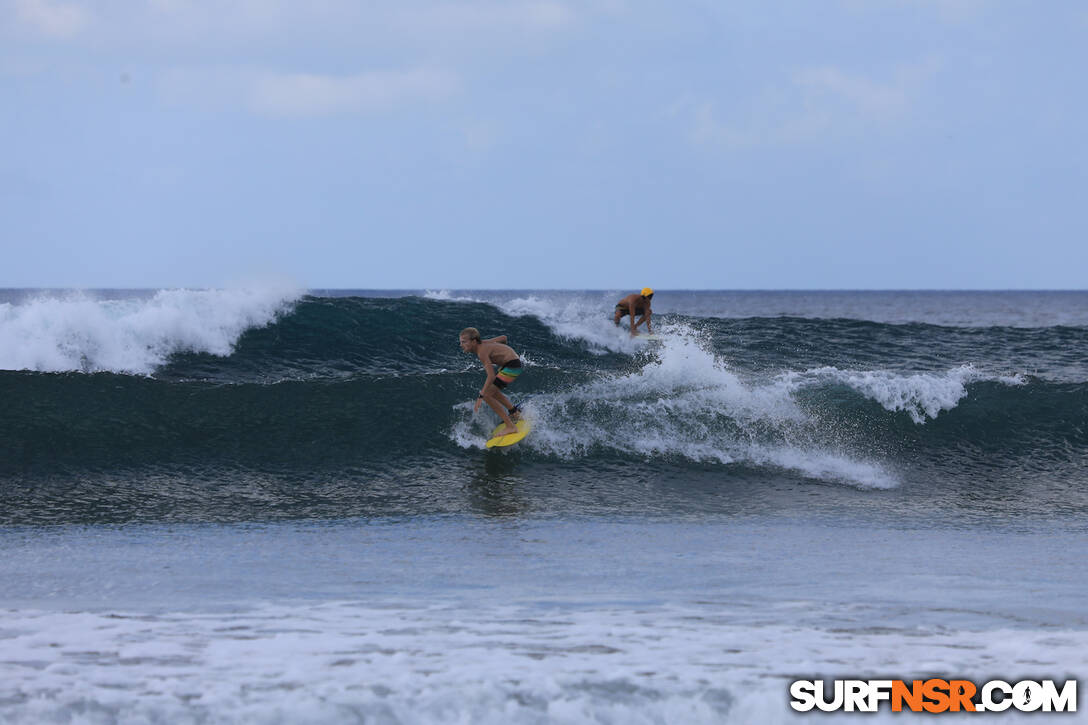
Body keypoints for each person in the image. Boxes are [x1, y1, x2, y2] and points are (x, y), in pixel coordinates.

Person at [459, 327, 523, 436]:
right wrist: (500, 352)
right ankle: (514, 412)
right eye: (460, 342)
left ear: (474, 341)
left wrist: (481, 395)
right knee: (492, 391)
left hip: (512, 366)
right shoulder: (483, 344)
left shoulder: (481, 352)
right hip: (513, 364)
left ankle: (510, 426)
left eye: (464, 342)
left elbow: (491, 375)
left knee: (487, 395)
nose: (461, 345)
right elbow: (504, 338)